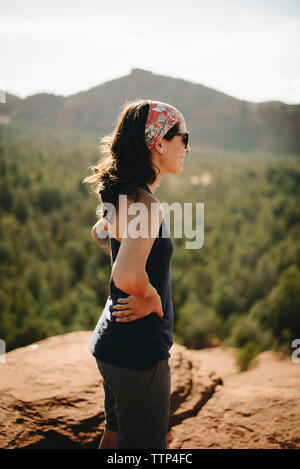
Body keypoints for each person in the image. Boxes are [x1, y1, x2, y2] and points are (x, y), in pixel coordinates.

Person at [83, 99, 191, 449]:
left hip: (112, 344)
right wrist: (150, 295)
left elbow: (101, 232)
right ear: (159, 142)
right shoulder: (147, 205)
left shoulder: (125, 193)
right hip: (139, 355)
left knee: (114, 439)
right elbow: (126, 274)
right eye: (183, 138)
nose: (188, 147)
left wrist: (127, 244)